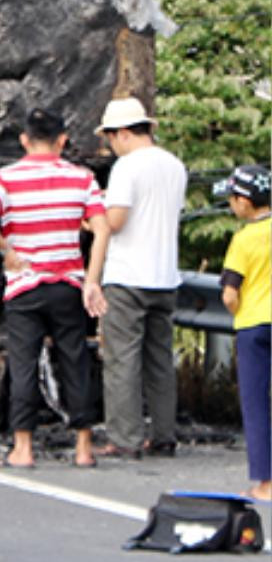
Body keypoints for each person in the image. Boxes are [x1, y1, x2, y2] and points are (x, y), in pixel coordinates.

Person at [0, 107, 109, 469]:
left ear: (24, 140)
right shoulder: (82, 178)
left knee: (24, 364)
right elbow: (103, 227)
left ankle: (24, 447)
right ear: (63, 141)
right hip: (68, 285)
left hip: (25, 286)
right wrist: (91, 281)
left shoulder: (5, 178)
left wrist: (6, 250)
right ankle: (82, 448)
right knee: (75, 362)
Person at [95, 96, 187, 459]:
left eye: (110, 138)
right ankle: (164, 435)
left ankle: (125, 438)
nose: (110, 145)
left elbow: (115, 221)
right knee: (160, 362)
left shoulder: (128, 167)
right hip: (166, 276)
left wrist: (90, 220)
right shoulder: (174, 165)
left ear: (122, 134)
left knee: (122, 360)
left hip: (128, 277)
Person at [216, 164, 271, 502]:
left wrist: (237, 310)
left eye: (233, 199)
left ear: (245, 202)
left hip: (253, 326)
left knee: (256, 403)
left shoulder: (243, 239)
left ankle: (266, 482)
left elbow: (229, 292)